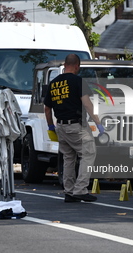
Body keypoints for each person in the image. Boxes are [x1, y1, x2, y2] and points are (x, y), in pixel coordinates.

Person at [44, 54, 104, 203]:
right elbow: (87, 104)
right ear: (77, 66)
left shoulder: (54, 83)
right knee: (88, 153)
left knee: (69, 158)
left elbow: (47, 108)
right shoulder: (78, 81)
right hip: (76, 126)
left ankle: (69, 192)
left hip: (61, 127)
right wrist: (98, 123)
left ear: (65, 65)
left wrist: (51, 126)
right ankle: (81, 190)